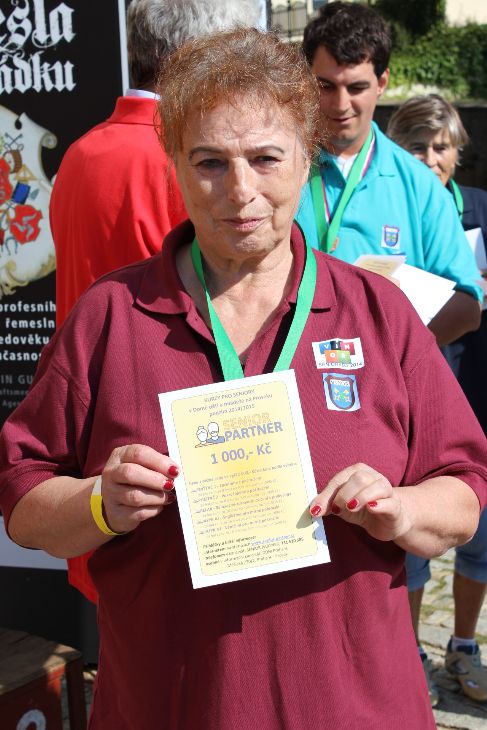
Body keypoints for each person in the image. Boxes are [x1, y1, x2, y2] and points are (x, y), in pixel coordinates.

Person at [1, 28, 486, 729]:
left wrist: (401, 510)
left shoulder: (377, 311)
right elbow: (23, 500)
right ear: (173, 162)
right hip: (172, 709)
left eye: (265, 158)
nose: (240, 191)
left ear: (305, 157)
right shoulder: (112, 316)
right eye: (209, 162)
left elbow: (463, 491)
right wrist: (100, 502)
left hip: (354, 708)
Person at [50, 0, 261, 604]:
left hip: (99, 431)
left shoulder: (82, 152)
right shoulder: (186, 160)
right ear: (198, 57)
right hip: (177, 453)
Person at [295, 1, 482, 347]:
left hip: (390, 374)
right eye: (326, 86)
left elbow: (468, 304)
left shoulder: (419, 185)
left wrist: (394, 356)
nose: (340, 105)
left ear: (382, 82)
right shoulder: (276, 170)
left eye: (356, 88)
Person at [387, 93, 487, 704]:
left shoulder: (479, 208)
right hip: (411, 398)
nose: (430, 158)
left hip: (474, 387)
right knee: (411, 541)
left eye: (441, 147)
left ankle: (464, 644)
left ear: (458, 152)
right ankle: (410, 655)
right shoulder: (393, 207)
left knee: (480, 539)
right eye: (416, 146)